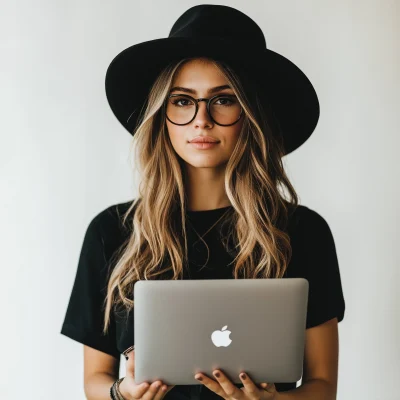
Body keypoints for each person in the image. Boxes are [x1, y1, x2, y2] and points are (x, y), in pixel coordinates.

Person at [60, 4, 345, 400]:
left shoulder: (302, 231)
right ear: (162, 114)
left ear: (252, 114)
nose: (201, 120)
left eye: (223, 100)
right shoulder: (112, 231)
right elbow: (95, 379)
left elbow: (323, 386)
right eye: (182, 100)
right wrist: (122, 394)